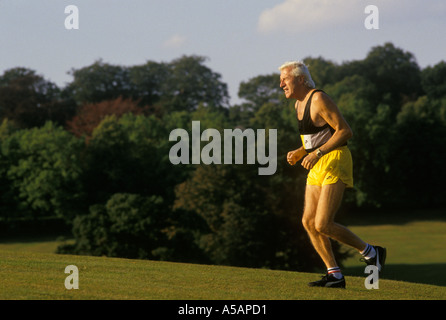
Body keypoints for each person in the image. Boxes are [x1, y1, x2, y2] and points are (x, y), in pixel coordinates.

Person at [279, 60, 386, 288]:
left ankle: (371, 252)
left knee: (323, 224)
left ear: (300, 79)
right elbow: (316, 139)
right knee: (308, 222)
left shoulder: (318, 98)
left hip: (335, 159)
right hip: (317, 163)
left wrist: (316, 153)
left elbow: (345, 131)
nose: (281, 85)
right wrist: (300, 152)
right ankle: (334, 274)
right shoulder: (298, 105)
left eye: (285, 80)